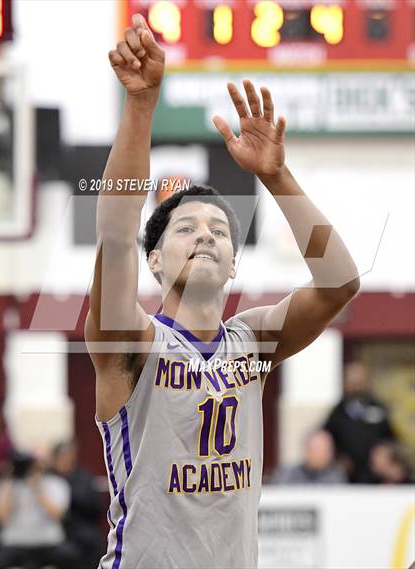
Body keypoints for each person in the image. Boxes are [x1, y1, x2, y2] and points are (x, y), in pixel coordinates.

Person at [84, 13, 360, 569]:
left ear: (234, 264)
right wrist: (140, 105)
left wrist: (276, 176)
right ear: (155, 261)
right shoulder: (131, 341)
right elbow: (116, 234)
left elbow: (339, 284)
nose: (206, 235)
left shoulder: (251, 342)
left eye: (219, 231)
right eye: (187, 228)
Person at [0, 450, 79, 569]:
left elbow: (58, 515)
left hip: (48, 542)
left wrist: (37, 488)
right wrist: (9, 480)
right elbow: (1, 517)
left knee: (71, 557)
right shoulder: (5, 485)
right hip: (14, 542)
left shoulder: (56, 483)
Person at [323, 361, 396, 483]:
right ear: (345, 383)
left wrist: (384, 453)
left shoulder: (379, 408)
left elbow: (391, 439)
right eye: (352, 382)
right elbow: (326, 438)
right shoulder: (337, 413)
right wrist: (338, 458)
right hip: (345, 477)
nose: (356, 385)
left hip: (376, 477)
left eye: (359, 382)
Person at [50, 440, 105, 568]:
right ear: (55, 458)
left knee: (93, 540)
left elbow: (96, 505)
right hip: (57, 527)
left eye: (69, 456)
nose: (67, 460)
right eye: (63, 456)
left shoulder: (83, 476)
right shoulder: (49, 478)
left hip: (81, 524)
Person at [271, 429, 347, 484]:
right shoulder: (287, 474)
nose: (319, 454)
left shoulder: (336, 477)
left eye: (324, 450)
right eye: (316, 449)